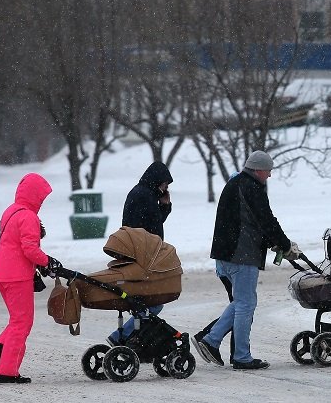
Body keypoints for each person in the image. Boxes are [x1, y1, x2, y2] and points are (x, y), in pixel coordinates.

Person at [192, 150, 300, 370]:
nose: (269, 175)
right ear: (258, 169)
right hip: (241, 255)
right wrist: (285, 245)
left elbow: (248, 220)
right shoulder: (252, 188)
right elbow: (267, 220)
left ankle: (212, 341)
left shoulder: (234, 184)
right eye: (268, 171)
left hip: (224, 255)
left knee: (241, 302)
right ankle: (237, 354)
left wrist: (273, 242)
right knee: (245, 304)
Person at [0, 172, 58, 383]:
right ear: (35, 196)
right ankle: (6, 371)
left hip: (4, 274)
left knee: (16, 321)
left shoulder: (10, 212)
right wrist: (47, 261)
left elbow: (15, 244)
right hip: (18, 276)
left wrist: (41, 262)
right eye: (41, 197)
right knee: (22, 323)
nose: (42, 202)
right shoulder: (29, 217)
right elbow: (30, 249)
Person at [107, 161, 173, 346]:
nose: (165, 188)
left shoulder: (143, 193)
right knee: (152, 302)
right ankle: (125, 336)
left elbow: (153, 223)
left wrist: (164, 206)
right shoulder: (143, 196)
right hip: (141, 257)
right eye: (165, 184)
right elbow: (148, 230)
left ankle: (129, 335)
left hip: (140, 255)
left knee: (146, 302)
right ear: (157, 181)